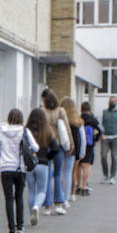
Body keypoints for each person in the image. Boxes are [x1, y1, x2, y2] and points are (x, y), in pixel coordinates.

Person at [0, 108, 32, 233]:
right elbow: (35, 146)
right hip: (20, 167)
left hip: (5, 167)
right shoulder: (24, 131)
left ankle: (11, 229)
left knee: (8, 198)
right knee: (19, 197)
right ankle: (20, 227)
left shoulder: (1, 131)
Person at [40, 89, 70, 217]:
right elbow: (67, 128)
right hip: (58, 145)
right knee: (58, 174)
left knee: (47, 175)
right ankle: (58, 203)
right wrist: (71, 144)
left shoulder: (42, 111)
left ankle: (47, 206)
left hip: (45, 145)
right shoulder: (61, 111)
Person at [25, 107, 54, 229]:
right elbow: (56, 148)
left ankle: (31, 213)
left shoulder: (26, 131)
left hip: (29, 164)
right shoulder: (47, 131)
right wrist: (48, 157)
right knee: (42, 190)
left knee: (31, 190)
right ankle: (37, 206)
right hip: (43, 164)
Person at [60, 97, 82, 202]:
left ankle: (60, 194)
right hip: (72, 150)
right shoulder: (76, 123)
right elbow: (79, 140)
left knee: (60, 173)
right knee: (69, 173)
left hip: (61, 148)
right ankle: (67, 196)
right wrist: (78, 153)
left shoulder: (60, 121)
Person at [77, 102, 101, 196]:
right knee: (86, 166)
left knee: (78, 166)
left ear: (81, 109)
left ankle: (78, 186)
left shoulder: (78, 118)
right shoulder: (93, 120)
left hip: (79, 144)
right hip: (89, 145)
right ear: (89, 110)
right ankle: (84, 187)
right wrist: (96, 139)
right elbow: (101, 130)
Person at [100, 97, 117, 183]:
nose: (112, 103)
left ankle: (112, 176)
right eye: (111, 101)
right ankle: (105, 174)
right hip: (105, 137)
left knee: (114, 156)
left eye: (113, 101)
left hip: (116, 137)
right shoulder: (104, 112)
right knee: (103, 156)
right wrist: (101, 134)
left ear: (116, 103)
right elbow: (100, 124)